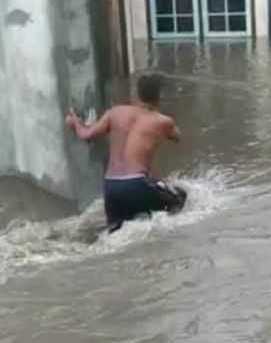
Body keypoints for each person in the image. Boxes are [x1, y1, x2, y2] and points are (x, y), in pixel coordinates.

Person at [65, 72, 187, 233]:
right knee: (180, 197)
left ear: (136, 93)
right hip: (137, 185)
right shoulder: (163, 121)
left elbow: (86, 136)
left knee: (114, 235)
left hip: (111, 187)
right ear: (160, 94)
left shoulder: (114, 112)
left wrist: (74, 123)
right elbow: (177, 136)